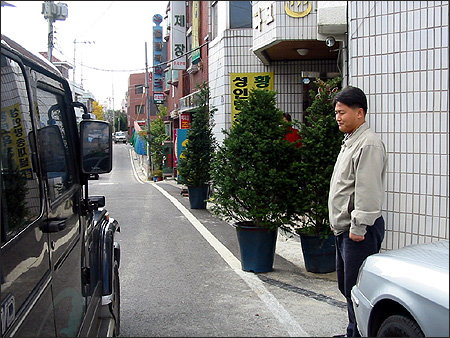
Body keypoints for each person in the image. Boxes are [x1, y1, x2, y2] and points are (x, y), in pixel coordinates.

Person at [328, 86, 387, 337]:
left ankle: (359, 333)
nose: (338, 117)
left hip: (358, 233)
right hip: (345, 230)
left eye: (342, 112)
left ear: (359, 112)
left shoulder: (368, 144)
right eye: (336, 113)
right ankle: (354, 330)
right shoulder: (351, 140)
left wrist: (358, 227)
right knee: (347, 285)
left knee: (356, 289)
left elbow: (368, 192)